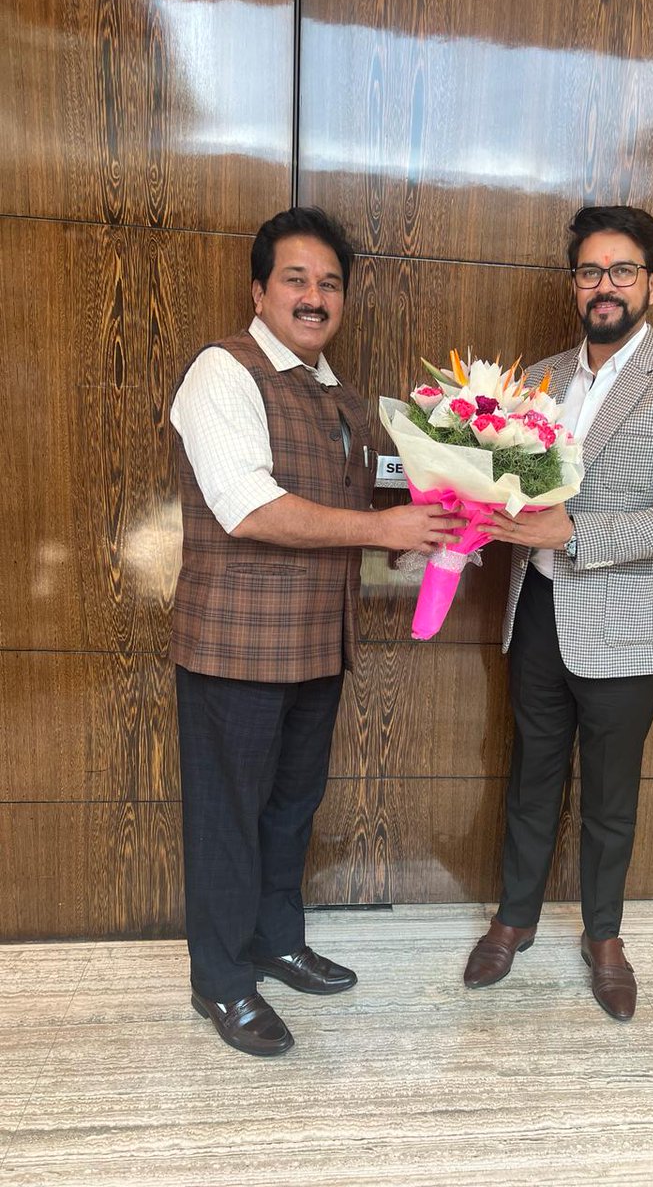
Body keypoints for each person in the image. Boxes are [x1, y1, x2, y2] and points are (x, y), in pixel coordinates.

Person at [170, 206, 463, 1057]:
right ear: (259, 291)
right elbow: (250, 508)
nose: (313, 296)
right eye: (295, 279)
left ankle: (274, 941)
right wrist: (387, 532)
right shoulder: (222, 373)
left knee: (291, 809)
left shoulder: (335, 393)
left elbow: (380, 487)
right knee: (228, 815)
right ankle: (221, 984)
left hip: (315, 646)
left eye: (329, 283)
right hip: (234, 646)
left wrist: (468, 493)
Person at [464, 205, 653, 1021]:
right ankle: (514, 918)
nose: (604, 286)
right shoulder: (537, 377)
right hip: (535, 610)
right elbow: (506, 485)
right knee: (530, 777)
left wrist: (571, 529)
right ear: (574, 282)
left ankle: (604, 938)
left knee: (612, 795)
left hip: (625, 623)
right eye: (590, 271)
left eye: (621, 271)